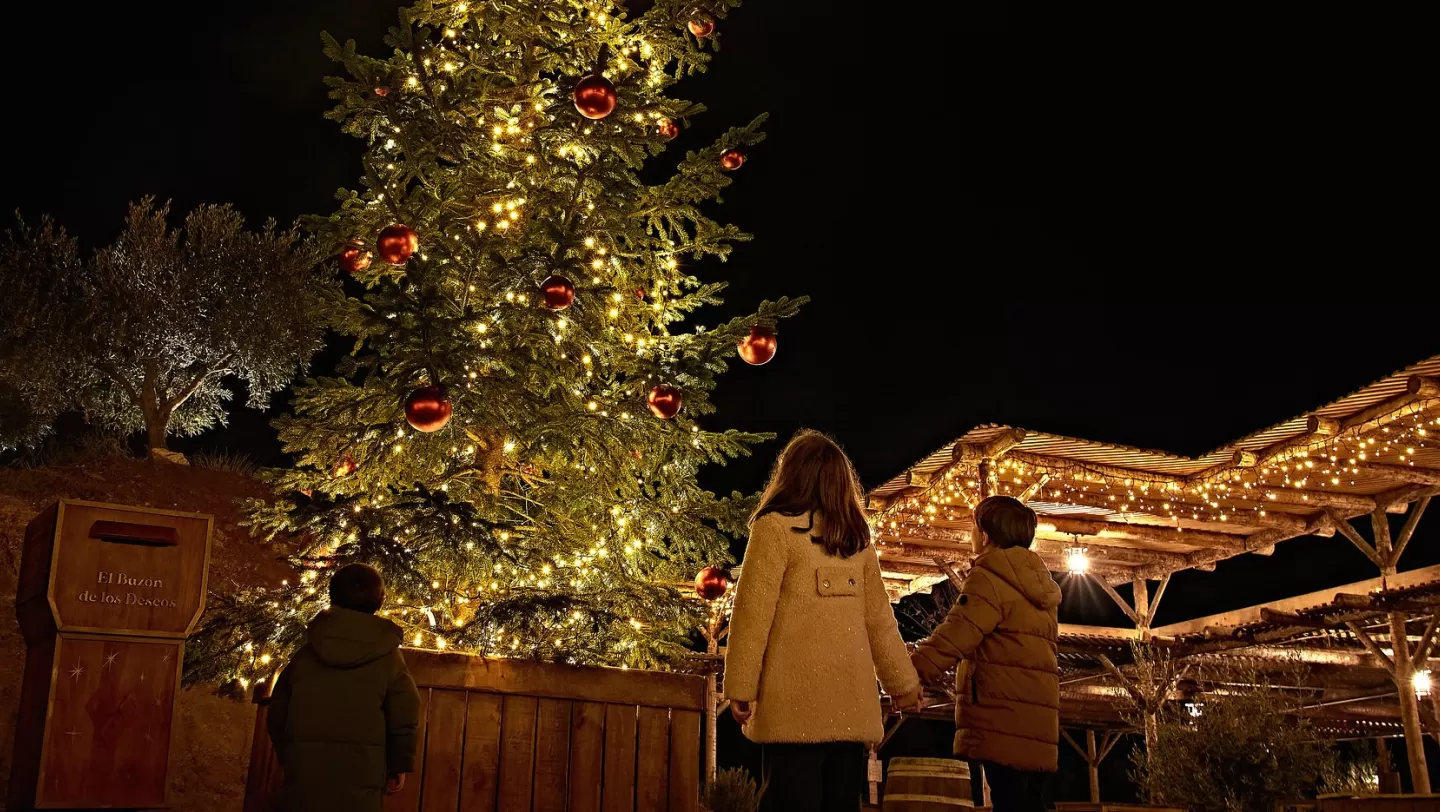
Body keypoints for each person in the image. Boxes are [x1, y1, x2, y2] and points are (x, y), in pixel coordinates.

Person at [724, 430, 922, 812]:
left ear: (790, 474)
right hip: (851, 708)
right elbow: (880, 622)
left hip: (790, 708)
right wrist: (903, 685)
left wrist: (741, 687)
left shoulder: (774, 528)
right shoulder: (856, 541)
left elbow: (752, 614)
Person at [911, 495, 1062, 812]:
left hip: (1001, 716)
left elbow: (956, 634)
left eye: (973, 527)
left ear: (985, 534)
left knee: (1011, 801)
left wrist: (910, 673)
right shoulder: (1039, 583)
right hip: (1039, 721)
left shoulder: (990, 577)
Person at [267, 563, 422, 812]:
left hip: (306, 773)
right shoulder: (388, 658)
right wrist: (399, 764)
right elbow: (405, 713)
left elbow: (278, 711)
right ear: (380, 600)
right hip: (363, 775)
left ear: (333, 595)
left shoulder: (306, 655)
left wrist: (289, 755)